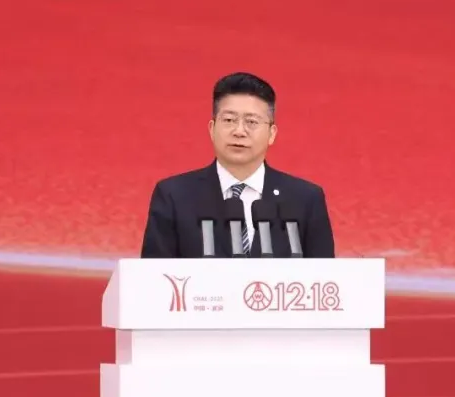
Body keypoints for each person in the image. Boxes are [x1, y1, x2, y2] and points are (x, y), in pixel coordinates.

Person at [140, 72, 335, 258]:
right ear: (212, 129)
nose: (239, 131)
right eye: (229, 120)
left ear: (272, 133)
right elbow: (153, 276)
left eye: (252, 122)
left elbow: (325, 277)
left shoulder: (305, 199)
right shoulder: (174, 195)